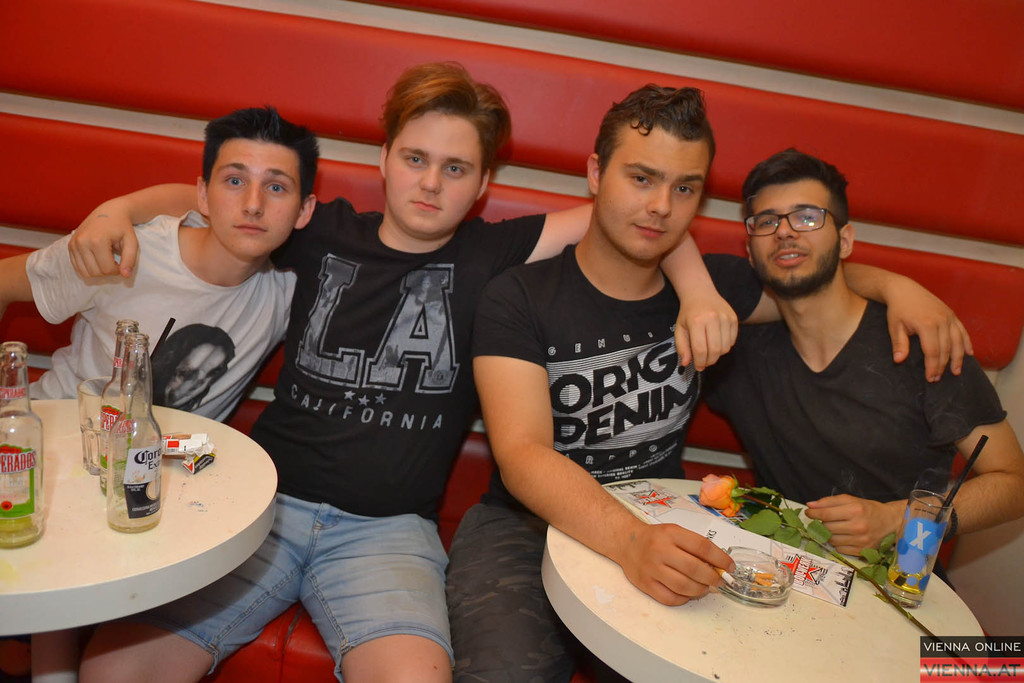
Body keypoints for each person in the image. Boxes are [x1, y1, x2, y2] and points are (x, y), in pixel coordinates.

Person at [74, 63, 736, 683]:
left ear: (483, 184)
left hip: (388, 532)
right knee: (112, 670)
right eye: (416, 159)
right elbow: (206, 199)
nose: (431, 184)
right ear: (385, 158)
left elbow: (638, 214)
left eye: (456, 168)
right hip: (262, 504)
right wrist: (118, 209)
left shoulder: (492, 251)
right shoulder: (321, 229)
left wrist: (699, 289)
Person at [443, 87, 970, 682]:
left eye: (684, 188)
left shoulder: (715, 289)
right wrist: (629, 541)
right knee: (507, 673)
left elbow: (816, 287)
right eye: (641, 178)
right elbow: (522, 454)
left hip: (663, 513)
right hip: (525, 524)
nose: (660, 207)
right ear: (595, 173)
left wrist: (899, 287)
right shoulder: (518, 297)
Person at [704, 148, 1024, 556]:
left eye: (807, 217)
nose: (784, 232)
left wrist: (898, 519)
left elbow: (1013, 483)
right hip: (778, 568)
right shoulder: (734, 343)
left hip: (893, 577)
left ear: (845, 241)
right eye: (766, 221)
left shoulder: (919, 341)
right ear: (750, 252)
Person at [0, 106, 317, 422]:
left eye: (276, 187)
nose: (253, 205)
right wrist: (120, 208)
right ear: (203, 195)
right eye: (235, 181)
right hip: (46, 436)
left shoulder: (291, 289)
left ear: (303, 210)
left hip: (161, 454)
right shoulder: (127, 249)